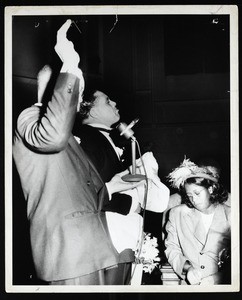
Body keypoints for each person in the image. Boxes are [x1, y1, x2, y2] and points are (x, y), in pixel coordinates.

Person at [12, 19, 144, 285]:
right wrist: (70, 64)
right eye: (74, 87)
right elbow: (52, 136)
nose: (77, 96)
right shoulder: (28, 119)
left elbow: (79, 193)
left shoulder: (70, 138)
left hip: (94, 250)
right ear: (54, 90)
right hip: (68, 257)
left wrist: (111, 187)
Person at [73, 89, 170, 283]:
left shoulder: (106, 138)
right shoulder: (88, 138)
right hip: (107, 236)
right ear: (91, 111)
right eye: (108, 101)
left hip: (120, 235)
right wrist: (131, 204)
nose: (115, 103)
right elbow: (88, 191)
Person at [164, 158, 231, 285]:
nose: (193, 200)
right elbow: (172, 248)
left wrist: (219, 277)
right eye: (189, 196)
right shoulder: (176, 214)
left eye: (197, 193)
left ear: (211, 189)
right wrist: (187, 268)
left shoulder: (231, 215)